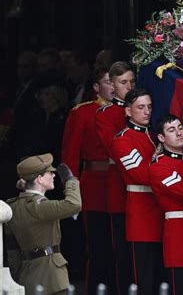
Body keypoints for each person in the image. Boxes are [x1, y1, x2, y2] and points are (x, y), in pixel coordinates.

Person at [61, 66, 115, 294]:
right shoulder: (82, 112)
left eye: (118, 82)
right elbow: (69, 157)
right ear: (96, 87)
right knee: (98, 246)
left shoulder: (131, 109)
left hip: (122, 185)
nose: (113, 87)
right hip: (95, 184)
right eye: (108, 82)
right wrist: (71, 192)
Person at [110, 88, 165, 294]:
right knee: (144, 278)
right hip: (141, 214)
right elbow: (142, 175)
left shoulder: (154, 136)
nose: (147, 112)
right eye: (140, 107)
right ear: (128, 111)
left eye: (149, 107)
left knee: (161, 277)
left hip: (161, 211)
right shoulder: (122, 139)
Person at [4, 154, 81, 295]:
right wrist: (71, 181)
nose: (53, 175)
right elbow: (74, 205)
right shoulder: (40, 206)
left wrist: (17, 278)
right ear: (39, 179)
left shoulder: (12, 207)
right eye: (49, 173)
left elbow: (12, 252)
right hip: (53, 278)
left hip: (27, 276)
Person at [149, 114, 183, 294]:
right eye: (172, 130)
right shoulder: (159, 166)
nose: (179, 133)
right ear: (161, 138)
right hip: (181, 238)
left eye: (180, 128)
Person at [95, 61, 135, 294]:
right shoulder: (107, 114)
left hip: (144, 192)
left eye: (132, 82)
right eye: (123, 82)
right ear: (112, 85)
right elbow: (115, 149)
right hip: (119, 186)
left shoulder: (144, 107)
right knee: (121, 252)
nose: (128, 87)